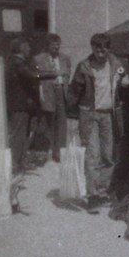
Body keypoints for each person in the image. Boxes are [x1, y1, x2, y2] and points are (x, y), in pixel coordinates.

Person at [68, 33, 129, 214]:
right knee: (92, 155)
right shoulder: (84, 67)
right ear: (92, 48)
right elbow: (73, 92)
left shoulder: (116, 65)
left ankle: (103, 191)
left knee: (108, 156)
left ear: (109, 49)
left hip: (109, 115)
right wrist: (72, 117)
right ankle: (93, 196)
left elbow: (125, 79)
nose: (101, 53)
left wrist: (125, 81)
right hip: (89, 115)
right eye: (97, 49)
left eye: (104, 49)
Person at [5, 37, 58, 174]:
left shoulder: (18, 62)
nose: (29, 49)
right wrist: (51, 74)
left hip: (24, 106)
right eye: (27, 47)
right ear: (21, 48)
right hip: (19, 106)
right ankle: (15, 164)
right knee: (18, 135)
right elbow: (32, 76)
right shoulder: (17, 62)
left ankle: (21, 162)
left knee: (24, 134)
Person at [34, 34, 71, 163]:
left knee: (62, 123)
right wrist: (54, 74)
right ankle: (49, 151)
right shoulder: (38, 59)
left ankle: (60, 153)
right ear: (47, 45)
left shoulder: (65, 58)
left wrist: (64, 81)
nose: (56, 47)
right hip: (47, 93)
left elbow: (67, 73)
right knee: (49, 122)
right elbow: (36, 75)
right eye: (53, 45)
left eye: (58, 44)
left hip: (61, 91)